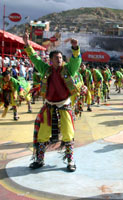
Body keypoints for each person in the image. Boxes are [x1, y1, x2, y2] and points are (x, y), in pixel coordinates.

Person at [23, 32, 81, 172]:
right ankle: (39, 160)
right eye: (56, 58)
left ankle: (70, 161)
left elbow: (76, 61)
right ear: (50, 60)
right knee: (42, 135)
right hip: (49, 107)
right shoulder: (45, 69)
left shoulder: (69, 70)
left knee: (68, 134)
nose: (59, 60)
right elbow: (35, 59)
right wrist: (27, 44)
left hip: (64, 106)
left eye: (61, 58)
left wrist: (75, 48)